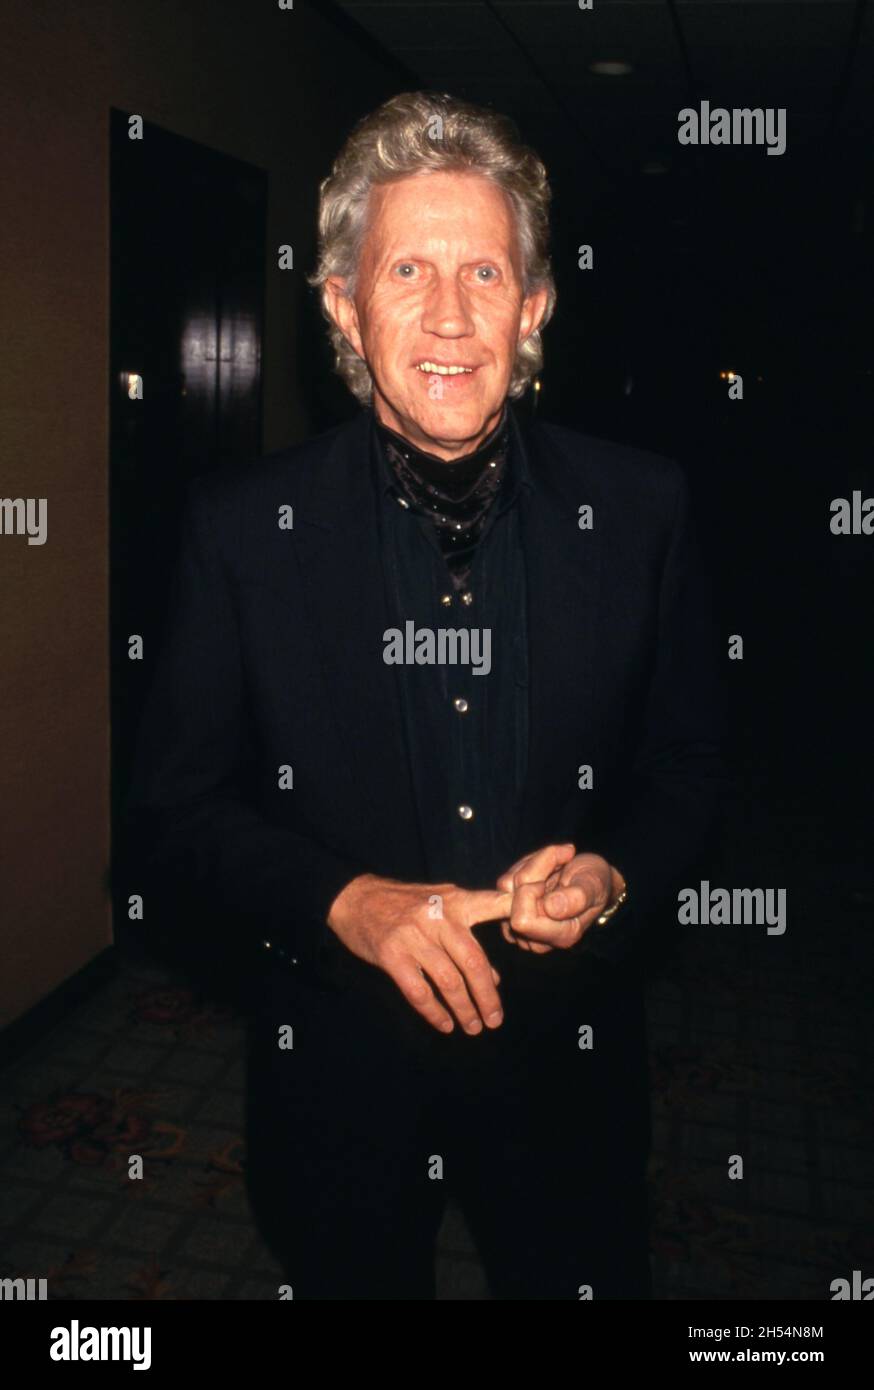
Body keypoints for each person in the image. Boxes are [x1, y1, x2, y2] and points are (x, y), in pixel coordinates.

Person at [128, 91, 725, 1300]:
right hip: (337, 1077)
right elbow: (169, 810)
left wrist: (608, 877)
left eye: (486, 275)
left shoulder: (645, 510)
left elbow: (693, 770)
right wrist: (341, 899)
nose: (450, 317)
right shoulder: (240, 531)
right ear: (343, 303)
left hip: (569, 1064)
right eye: (407, 269)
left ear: (536, 306)